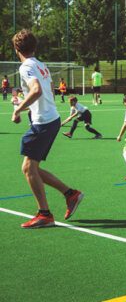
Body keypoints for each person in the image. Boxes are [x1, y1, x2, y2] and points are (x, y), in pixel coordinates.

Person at [11, 29, 83, 229]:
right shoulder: (42, 65)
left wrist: (18, 109)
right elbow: (49, 89)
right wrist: (36, 110)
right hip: (51, 119)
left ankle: (45, 214)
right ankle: (71, 194)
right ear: (34, 47)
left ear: (17, 49)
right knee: (32, 168)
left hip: (44, 122)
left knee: (28, 168)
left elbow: (37, 90)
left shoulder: (26, 67)